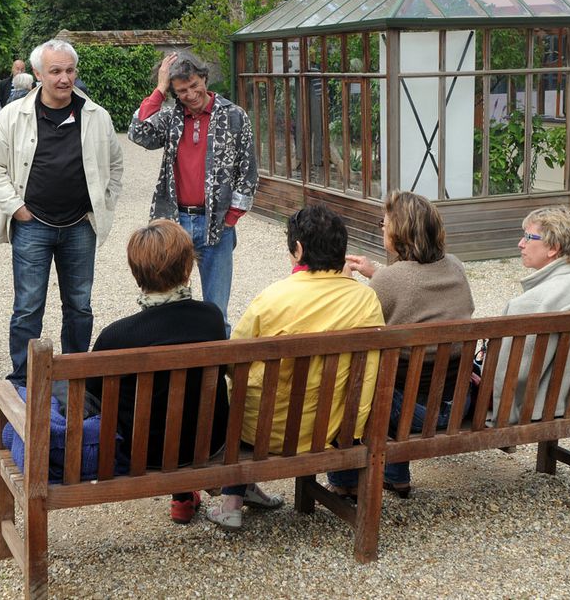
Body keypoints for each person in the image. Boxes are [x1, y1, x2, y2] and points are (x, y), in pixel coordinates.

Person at [207, 204, 385, 531]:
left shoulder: (273, 299)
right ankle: (242, 491)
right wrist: (353, 429)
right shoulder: (365, 300)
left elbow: (232, 361)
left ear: (299, 249)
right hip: (330, 428)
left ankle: (233, 496)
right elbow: (370, 371)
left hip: (263, 432)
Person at [0, 38, 123, 389]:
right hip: (33, 225)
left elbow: (116, 165)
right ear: (38, 74)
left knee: (80, 306)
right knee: (28, 307)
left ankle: (75, 374)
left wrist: (100, 205)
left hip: (79, 226)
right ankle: (23, 380)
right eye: (55, 71)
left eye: (69, 70)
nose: (64, 78)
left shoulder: (97, 116)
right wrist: (17, 208)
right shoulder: (14, 115)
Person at [87, 220, 230, 524]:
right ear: (188, 268)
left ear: (136, 273)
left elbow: (91, 396)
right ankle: (183, 494)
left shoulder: (116, 337)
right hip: (208, 443)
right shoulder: (212, 319)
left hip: (142, 454)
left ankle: (182, 496)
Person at [337, 190, 474, 499]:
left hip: (413, 411)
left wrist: (346, 283)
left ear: (399, 232)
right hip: (457, 402)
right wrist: (378, 273)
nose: (381, 228)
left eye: (384, 224)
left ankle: (344, 479)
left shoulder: (392, 281)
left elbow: (354, 327)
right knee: (407, 371)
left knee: (353, 377)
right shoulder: (455, 266)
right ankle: (395, 475)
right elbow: (417, 290)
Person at [128, 52, 257, 334]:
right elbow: (138, 133)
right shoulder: (171, 116)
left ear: (205, 79)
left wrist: (231, 218)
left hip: (217, 224)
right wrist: (160, 90)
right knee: (162, 305)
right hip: (173, 223)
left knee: (216, 311)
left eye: (194, 85)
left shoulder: (234, 116)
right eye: (181, 91)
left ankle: (216, 374)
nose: (190, 94)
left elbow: (248, 172)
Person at [487, 206, 570, 425]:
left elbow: (511, 373)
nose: (521, 243)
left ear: (553, 248)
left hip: (535, 409)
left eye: (528, 237)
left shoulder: (531, 303)